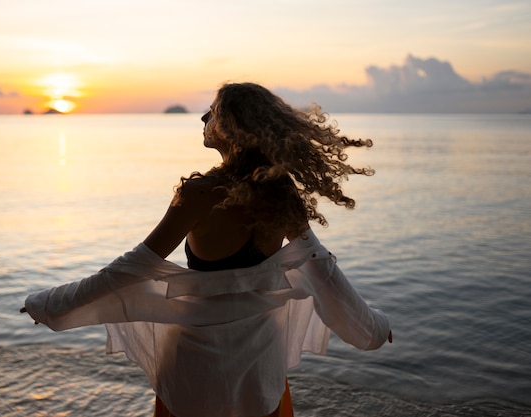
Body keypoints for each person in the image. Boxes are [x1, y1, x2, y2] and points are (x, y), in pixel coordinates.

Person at [21, 82, 392, 417]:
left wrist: (50, 305)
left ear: (231, 126)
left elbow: (128, 271)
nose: (203, 117)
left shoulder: (199, 195)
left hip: (196, 364)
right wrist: (372, 327)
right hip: (259, 362)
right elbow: (321, 269)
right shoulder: (282, 194)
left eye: (212, 112)